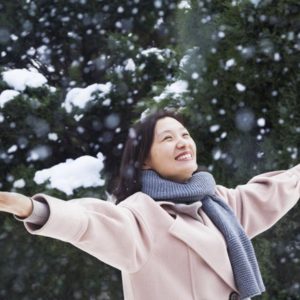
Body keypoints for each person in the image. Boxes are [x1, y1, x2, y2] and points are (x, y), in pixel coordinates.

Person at [0, 110, 299, 300]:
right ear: (145, 159)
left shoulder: (219, 202)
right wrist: (33, 209)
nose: (183, 142)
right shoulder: (141, 216)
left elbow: (274, 191)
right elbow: (90, 222)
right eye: (168, 138)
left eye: (185, 135)